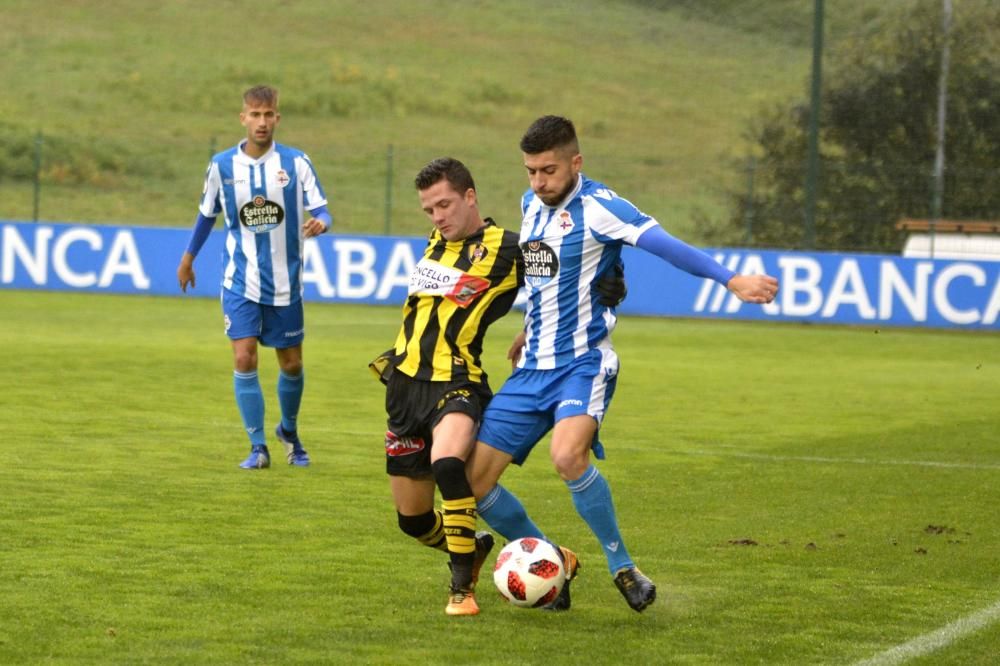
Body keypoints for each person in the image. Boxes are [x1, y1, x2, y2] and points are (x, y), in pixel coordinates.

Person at [466, 115, 780, 613]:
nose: (538, 182)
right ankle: (554, 561)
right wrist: (531, 326)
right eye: (530, 171)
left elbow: (666, 246)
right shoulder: (530, 206)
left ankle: (622, 567)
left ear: (576, 162)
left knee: (568, 457)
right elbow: (548, 278)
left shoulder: (602, 207)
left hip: (583, 364)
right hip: (531, 370)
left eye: (548, 170)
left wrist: (730, 279)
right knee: (473, 484)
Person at [369, 157, 627, 616]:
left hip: (459, 382)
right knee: (413, 522)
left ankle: (461, 590)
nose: (438, 217)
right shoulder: (435, 241)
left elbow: (564, 276)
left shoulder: (509, 246)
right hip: (404, 387)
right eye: (429, 210)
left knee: (449, 463)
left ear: (470, 197)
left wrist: (611, 281)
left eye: (445, 205)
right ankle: (513, 549)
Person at [177, 85, 332, 470]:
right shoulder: (222, 166)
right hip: (239, 280)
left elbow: (323, 210)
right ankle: (257, 447)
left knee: (291, 364)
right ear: (243, 118)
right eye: (255, 114)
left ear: (277, 118)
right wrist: (188, 257)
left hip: (285, 282)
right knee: (244, 357)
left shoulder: (296, 163)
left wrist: (321, 224)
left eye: (269, 115)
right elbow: (206, 215)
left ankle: (289, 432)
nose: (262, 122)